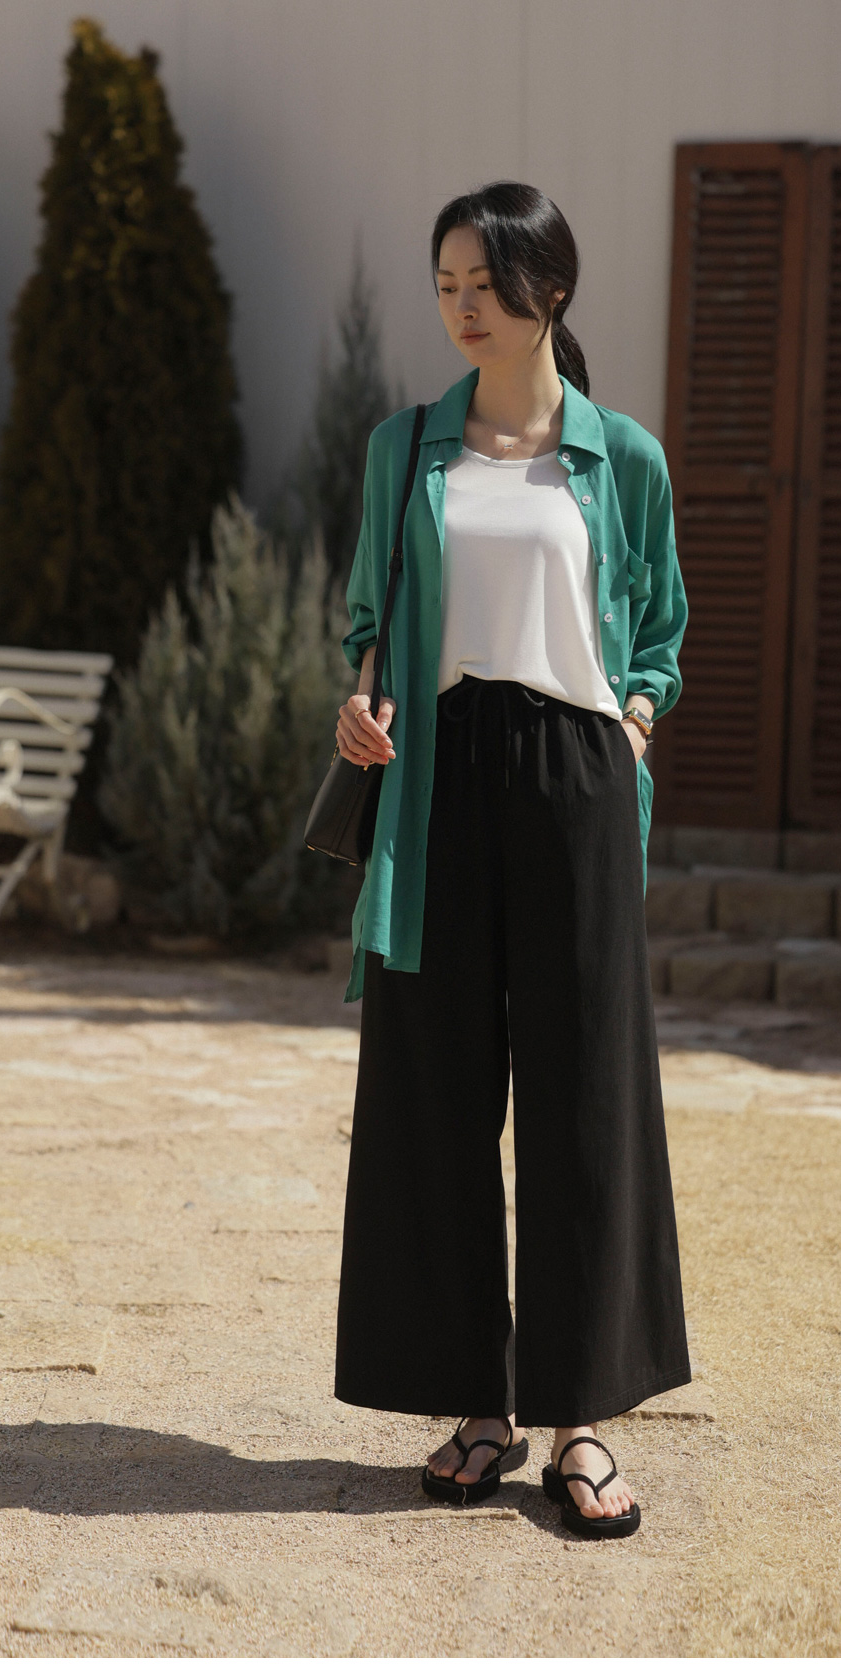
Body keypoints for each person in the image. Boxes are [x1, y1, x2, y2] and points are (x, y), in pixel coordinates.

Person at [331, 181, 690, 1539]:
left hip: (574, 780)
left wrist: (632, 727)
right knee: (435, 1091)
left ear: (551, 290)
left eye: (484, 283)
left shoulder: (623, 457)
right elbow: (371, 615)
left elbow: (659, 625)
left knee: (586, 1100)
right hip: (435, 777)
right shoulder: (405, 447)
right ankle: (475, 1403)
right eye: (445, 284)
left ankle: (582, 1419)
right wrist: (363, 699)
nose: (461, 307)